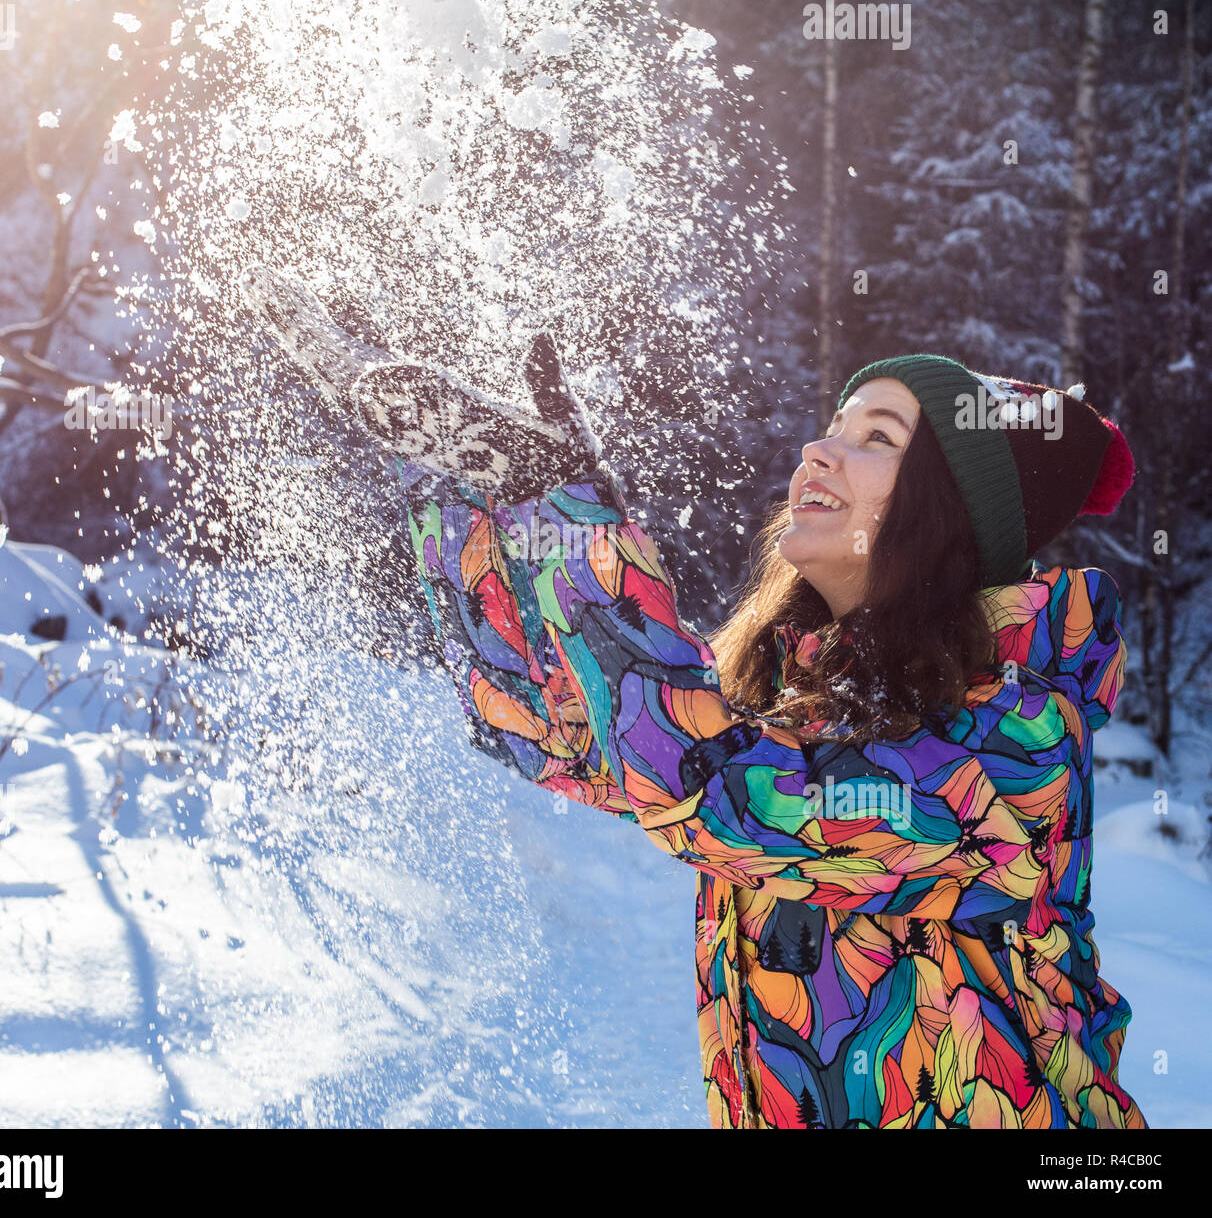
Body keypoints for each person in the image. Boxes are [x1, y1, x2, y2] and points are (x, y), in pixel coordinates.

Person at [352, 342, 1148, 1130]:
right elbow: (547, 734)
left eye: (877, 437)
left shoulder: (1018, 742)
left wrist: (572, 513)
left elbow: (715, 791)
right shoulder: (800, 712)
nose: (817, 450)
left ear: (952, 518)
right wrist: (463, 492)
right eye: (834, 426)